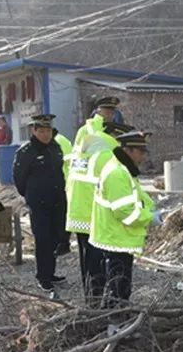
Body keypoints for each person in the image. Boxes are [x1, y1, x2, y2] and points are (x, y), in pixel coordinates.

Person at [89, 130, 158, 306]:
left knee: (119, 283)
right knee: (119, 285)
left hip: (116, 236)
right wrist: (149, 217)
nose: (143, 156)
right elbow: (125, 212)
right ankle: (117, 321)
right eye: (140, 152)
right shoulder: (117, 173)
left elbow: (138, 194)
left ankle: (116, 316)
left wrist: (151, 206)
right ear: (128, 151)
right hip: (115, 238)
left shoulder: (123, 169)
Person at [66, 120, 130, 304]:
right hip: (94, 216)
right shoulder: (108, 155)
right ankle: (95, 303)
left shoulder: (84, 150)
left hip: (78, 214)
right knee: (98, 262)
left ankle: (90, 300)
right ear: (116, 137)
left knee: (86, 261)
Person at [12, 114, 68, 293]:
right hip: (39, 203)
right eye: (42, 131)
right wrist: (30, 196)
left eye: (48, 130)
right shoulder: (26, 151)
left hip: (57, 200)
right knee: (43, 239)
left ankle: (51, 273)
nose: (45, 134)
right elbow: (19, 179)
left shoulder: (55, 147)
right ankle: (43, 277)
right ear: (34, 130)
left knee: (54, 237)